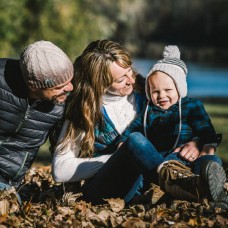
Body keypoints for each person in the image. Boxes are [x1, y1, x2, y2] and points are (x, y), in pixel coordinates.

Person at [52, 40, 201, 205]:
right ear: (100, 83)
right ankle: (178, 185)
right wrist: (123, 157)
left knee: (209, 161)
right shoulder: (84, 111)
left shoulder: (148, 91)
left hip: (148, 181)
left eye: (130, 70)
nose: (131, 79)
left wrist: (196, 142)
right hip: (109, 189)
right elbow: (60, 170)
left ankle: (203, 195)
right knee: (135, 142)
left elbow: (187, 120)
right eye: (121, 79)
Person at [118, 45, 228, 207]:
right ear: (149, 92)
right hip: (156, 163)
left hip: (186, 161)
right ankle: (181, 190)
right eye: (155, 91)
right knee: (139, 168)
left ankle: (203, 190)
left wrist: (204, 146)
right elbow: (131, 132)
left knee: (212, 161)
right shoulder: (148, 112)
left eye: (168, 90)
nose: (161, 96)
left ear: (179, 87)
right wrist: (122, 144)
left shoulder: (191, 106)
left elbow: (207, 132)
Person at [0, 40, 74, 203]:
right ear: (34, 86)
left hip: (8, 185)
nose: (70, 88)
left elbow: (61, 152)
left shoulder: (61, 105)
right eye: (60, 85)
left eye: (70, 80)